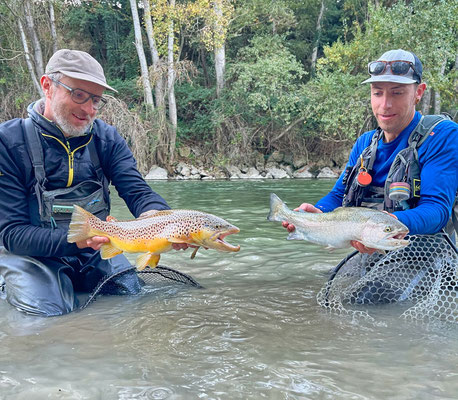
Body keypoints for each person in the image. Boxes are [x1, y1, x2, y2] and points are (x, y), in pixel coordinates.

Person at [0, 49, 189, 317]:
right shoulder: (8, 143)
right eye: (78, 94)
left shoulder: (107, 139)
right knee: (47, 320)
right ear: (47, 86)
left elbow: (137, 191)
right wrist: (77, 240)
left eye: (96, 100)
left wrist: (159, 220)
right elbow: (13, 235)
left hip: (95, 249)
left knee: (132, 300)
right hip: (32, 254)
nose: (89, 110)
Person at [283, 49, 458, 253]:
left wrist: (388, 224)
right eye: (377, 92)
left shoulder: (442, 135)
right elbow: (338, 196)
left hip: (426, 256)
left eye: (397, 92)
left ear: (418, 92)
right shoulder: (365, 143)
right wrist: (318, 213)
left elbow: (437, 210)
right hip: (373, 249)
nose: (385, 104)